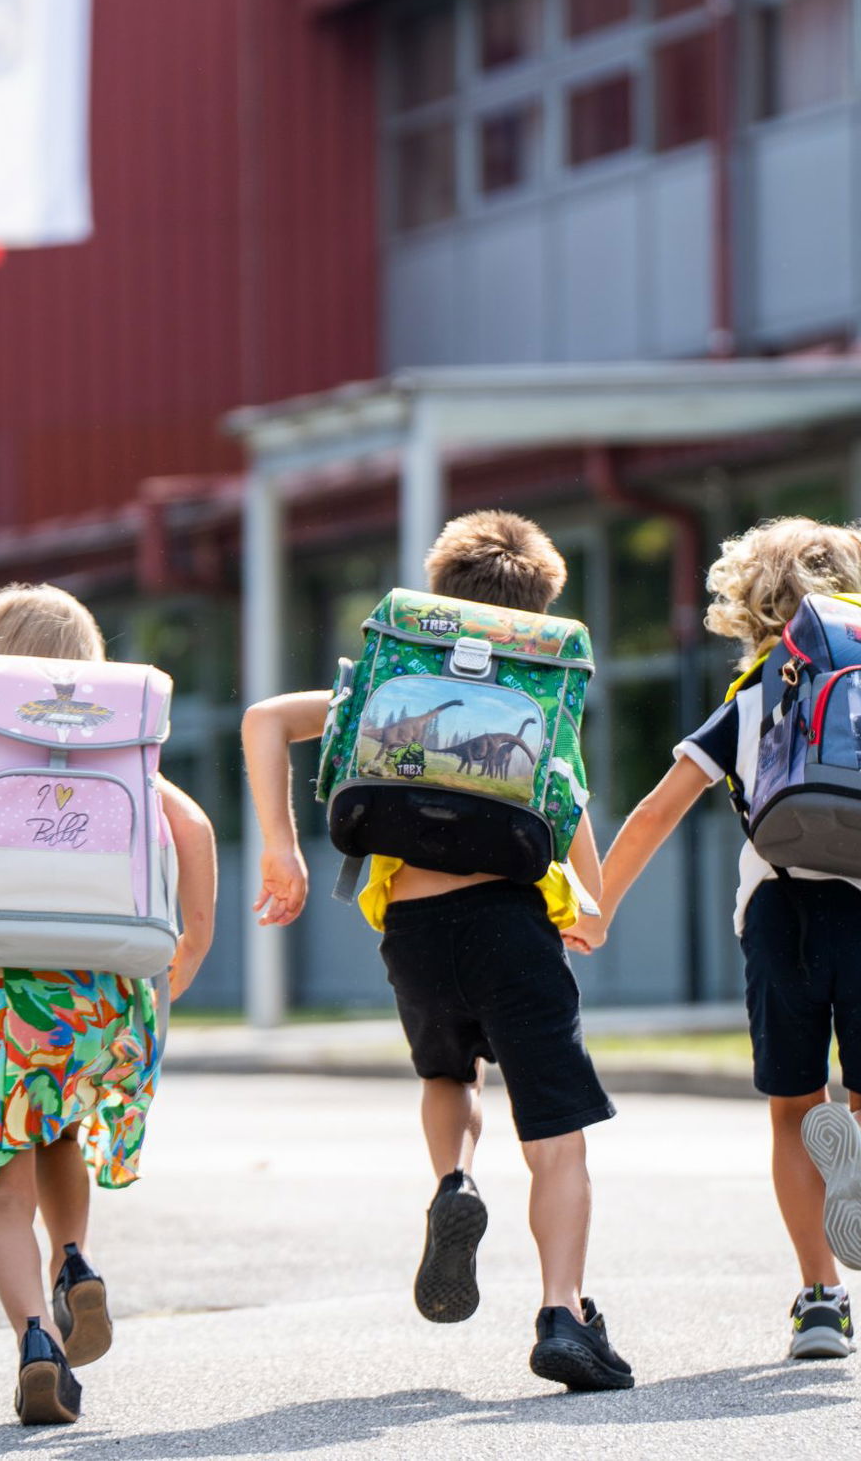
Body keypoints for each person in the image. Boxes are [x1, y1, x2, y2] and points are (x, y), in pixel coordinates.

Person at [241, 510, 633, 1392]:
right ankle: (563, 1315)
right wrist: (594, 908)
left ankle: (453, 1182)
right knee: (557, 1137)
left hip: (412, 930)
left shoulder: (391, 669)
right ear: (539, 606)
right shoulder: (542, 691)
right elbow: (571, 822)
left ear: (439, 593)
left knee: (449, 1076)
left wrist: (281, 844)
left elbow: (265, 719)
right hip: (512, 928)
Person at [0, 583, 218, 1425]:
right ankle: (74, 1262)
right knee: (58, 1126)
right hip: (105, 999)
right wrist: (183, 960)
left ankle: (36, 1341)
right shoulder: (129, 758)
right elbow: (194, 835)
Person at [597, 516, 861, 1361]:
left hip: (780, 915)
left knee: (792, 1111)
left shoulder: (755, 697)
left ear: (758, 602)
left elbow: (657, 810)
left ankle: (821, 1301)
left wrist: (595, 906)